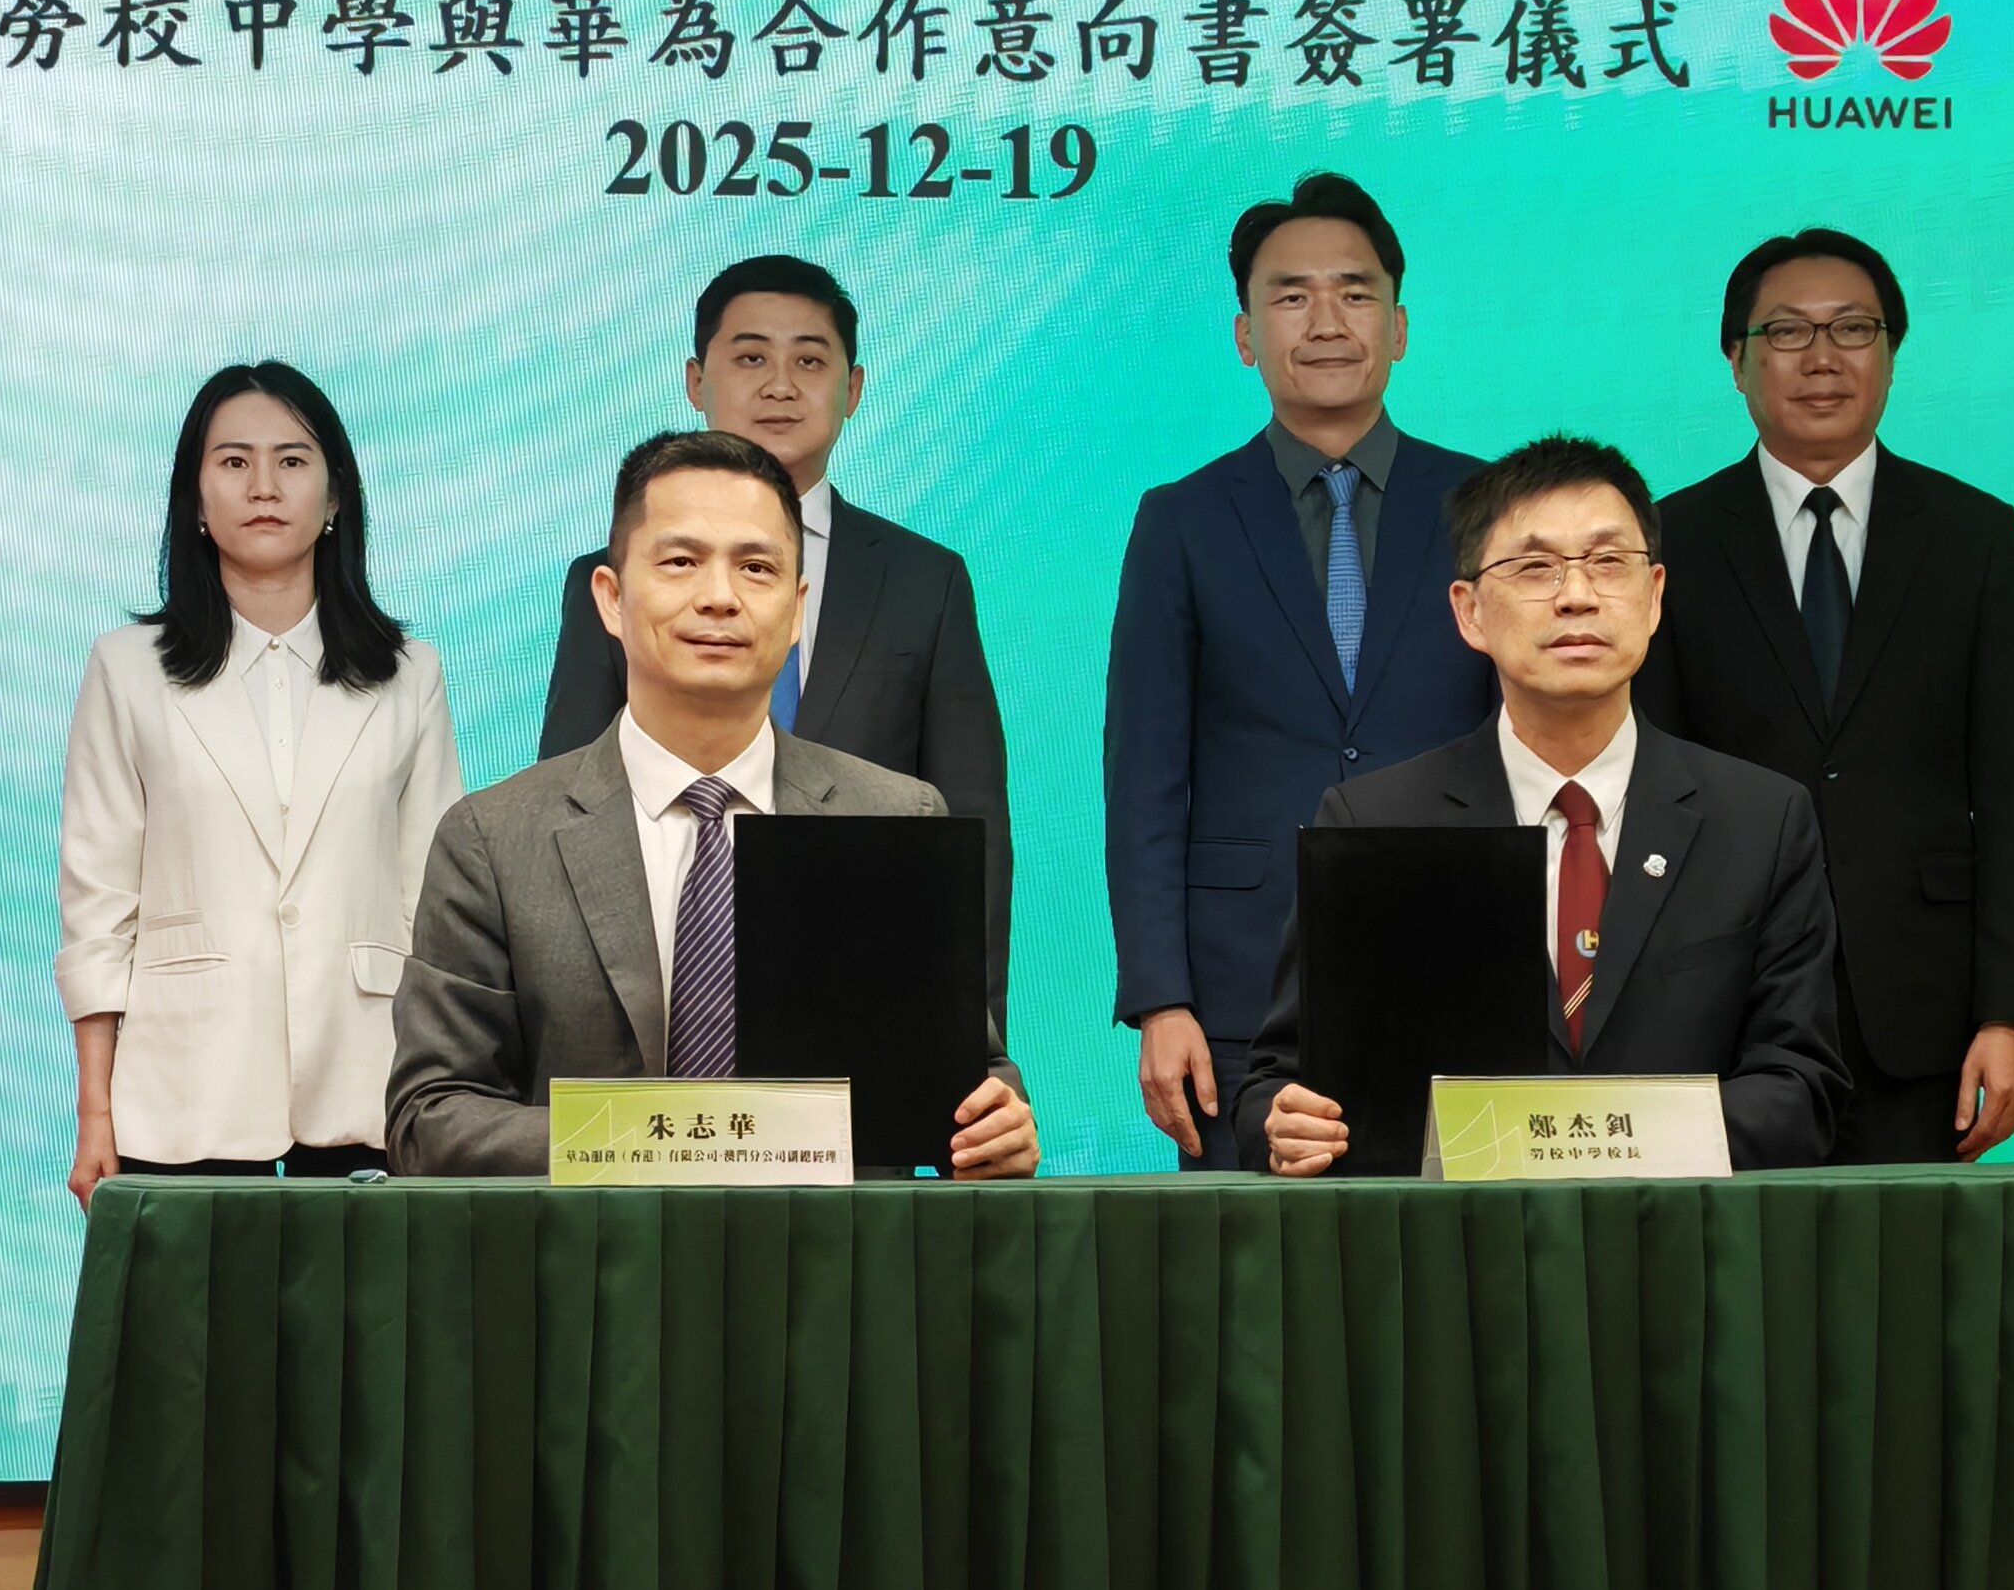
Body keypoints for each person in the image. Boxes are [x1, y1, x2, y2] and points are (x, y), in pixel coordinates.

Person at [392, 430, 1037, 1178]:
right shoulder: (495, 839)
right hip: (596, 1251)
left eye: (756, 568)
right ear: (611, 598)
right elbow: (430, 1116)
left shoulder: (895, 817)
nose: (720, 597)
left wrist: (997, 1125)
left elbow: (968, 1080)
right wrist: (671, 1145)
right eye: (680, 562)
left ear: (796, 610)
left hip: (834, 1252)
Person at [1238, 435, 1848, 1175]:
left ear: (1654, 596)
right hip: (1456, 1239)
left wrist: (1604, 1144)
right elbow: (1278, 1082)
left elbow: (1801, 1088)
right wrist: (1284, 1126)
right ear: (1469, 612)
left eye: (1608, 562)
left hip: (1685, 1237)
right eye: (1535, 567)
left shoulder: (1761, 821)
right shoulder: (1374, 820)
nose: (1577, 595)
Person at [1632, 228, 2014, 1163]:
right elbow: (1653, 784)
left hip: (1925, 1012)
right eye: (1787, 332)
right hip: (1727, 1004)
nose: (1822, 358)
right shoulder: (1669, 540)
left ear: (1892, 353)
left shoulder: (1974, 536)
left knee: (1911, 1258)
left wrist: (2012, 1015)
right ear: (1736, 360)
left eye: (1853, 329)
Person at [1105, 172, 1492, 1165]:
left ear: (1398, 328)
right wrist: (1161, 998)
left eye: (1354, 293)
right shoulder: (1181, 519)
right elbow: (1145, 777)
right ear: (1245, 335)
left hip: (1462, 955)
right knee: (1248, 1256)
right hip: (1241, 993)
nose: (1325, 322)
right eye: (1291, 296)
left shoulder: (1488, 506)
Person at [536, 255, 1015, 1015]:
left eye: (810, 361)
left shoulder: (926, 580)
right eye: (752, 357)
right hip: (650, 979)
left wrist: (968, 1039)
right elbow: (567, 804)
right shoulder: (619, 579)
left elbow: (970, 830)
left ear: (853, 389)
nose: (781, 385)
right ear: (696, 381)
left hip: (860, 978)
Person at [56, 362, 463, 1200]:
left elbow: (432, 900)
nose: (264, 487)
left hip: (367, 1078)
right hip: (184, 1088)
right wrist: (96, 1112)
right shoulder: (126, 669)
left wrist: (447, 1093)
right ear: (195, 500)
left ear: (335, 496)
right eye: (234, 462)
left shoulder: (409, 673)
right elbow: (99, 905)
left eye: (293, 460)